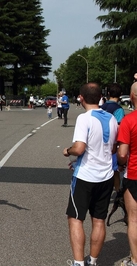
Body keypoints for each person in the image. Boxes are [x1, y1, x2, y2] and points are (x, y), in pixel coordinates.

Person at [63, 82, 118, 266]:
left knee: (76, 218)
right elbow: (111, 149)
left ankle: (79, 263)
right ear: (101, 97)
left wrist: (68, 151)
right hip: (106, 176)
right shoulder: (111, 118)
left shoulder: (84, 118)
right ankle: (92, 261)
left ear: (81, 98)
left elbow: (79, 148)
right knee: (99, 220)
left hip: (86, 176)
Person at [117, 81, 137, 266]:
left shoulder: (128, 121)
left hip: (134, 174)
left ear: (131, 97)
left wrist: (120, 164)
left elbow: (122, 154)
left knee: (134, 218)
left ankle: (135, 260)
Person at [100, 83, 125, 193]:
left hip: (100, 141)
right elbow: (119, 128)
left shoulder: (102, 108)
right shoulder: (118, 109)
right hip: (113, 143)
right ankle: (118, 190)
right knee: (114, 170)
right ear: (120, 95)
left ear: (108, 94)